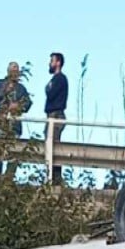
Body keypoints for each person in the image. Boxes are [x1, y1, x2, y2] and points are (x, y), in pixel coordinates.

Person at [0, 61, 31, 178]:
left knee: (14, 153)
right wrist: (5, 92)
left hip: (15, 125)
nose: (14, 71)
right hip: (1, 122)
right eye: (12, 69)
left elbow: (28, 104)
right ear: (8, 71)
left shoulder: (21, 89)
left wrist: (18, 106)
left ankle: (9, 179)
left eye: (16, 69)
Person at [44, 52, 68, 186]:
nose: (50, 63)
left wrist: (48, 89)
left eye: (52, 61)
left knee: (53, 145)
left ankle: (55, 178)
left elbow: (51, 93)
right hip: (52, 115)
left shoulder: (60, 79)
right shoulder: (56, 79)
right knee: (50, 144)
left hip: (56, 115)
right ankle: (52, 177)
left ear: (58, 62)